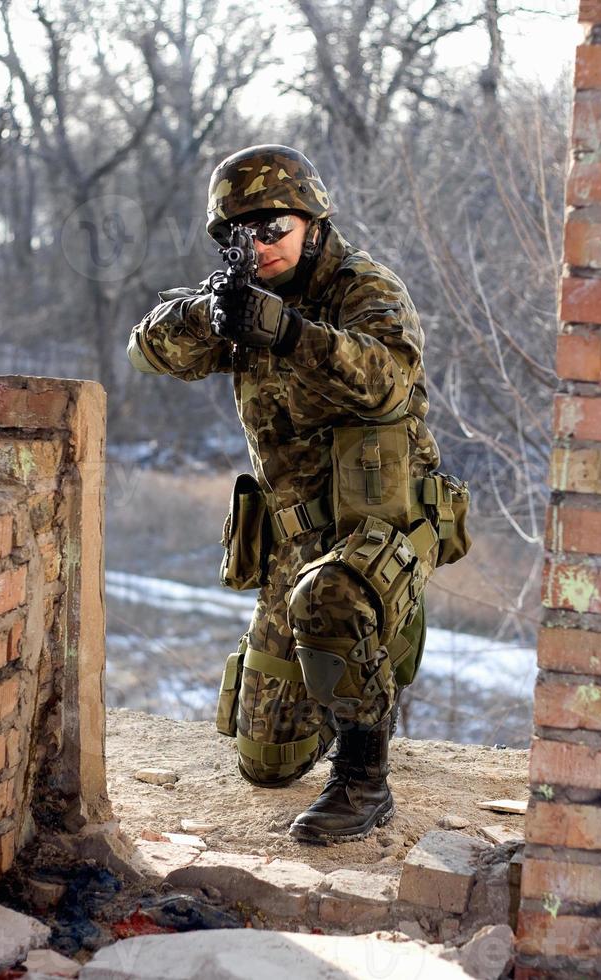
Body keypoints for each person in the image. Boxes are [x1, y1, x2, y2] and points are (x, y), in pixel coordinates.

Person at [128, 144, 469, 843]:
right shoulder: (244, 297)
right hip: (295, 533)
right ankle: (340, 668)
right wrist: (206, 315)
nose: (258, 247)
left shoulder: (363, 288)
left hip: (385, 519)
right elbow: (147, 350)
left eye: (273, 229)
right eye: (238, 236)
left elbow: (386, 383)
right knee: (268, 762)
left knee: (329, 599)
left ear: (312, 223)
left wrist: (287, 335)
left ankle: (363, 780)